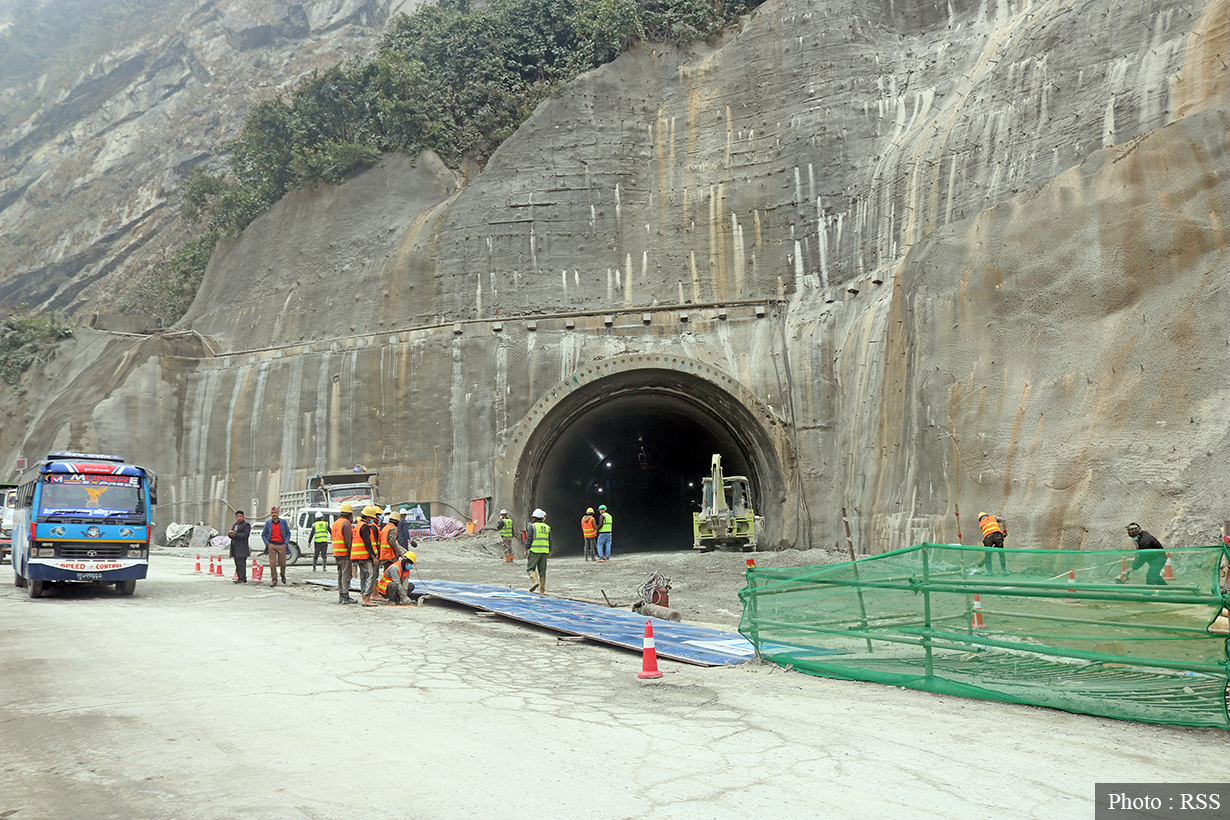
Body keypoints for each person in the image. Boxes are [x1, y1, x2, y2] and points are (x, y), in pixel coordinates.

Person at [354, 505, 382, 607]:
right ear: (368, 517)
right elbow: (368, 542)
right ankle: (366, 598)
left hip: (358, 556)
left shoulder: (358, 525)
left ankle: (364, 597)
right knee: (371, 576)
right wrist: (374, 556)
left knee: (363, 577)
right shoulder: (365, 527)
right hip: (365, 556)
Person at [332, 503, 356, 604]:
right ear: (349, 514)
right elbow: (348, 541)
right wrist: (351, 554)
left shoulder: (336, 523)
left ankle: (341, 595)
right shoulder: (346, 523)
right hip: (344, 553)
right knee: (346, 575)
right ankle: (345, 596)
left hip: (337, 552)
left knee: (340, 574)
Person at [262, 506, 291, 586]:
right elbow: (263, 534)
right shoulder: (268, 523)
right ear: (271, 514)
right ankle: (274, 580)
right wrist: (268, 544)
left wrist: (285, 543)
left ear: (278, 514)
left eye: (275, 513)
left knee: (283, 564)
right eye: (272, 513)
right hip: (272, 545)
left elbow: (288, 533)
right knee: (272, 564)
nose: (274, 514)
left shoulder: (283, 522)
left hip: (282, 545)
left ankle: (282, 574)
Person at [526, 508, 551, 593]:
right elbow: (550, 540)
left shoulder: (533, 526)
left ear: (535, 518)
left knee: (530, 568)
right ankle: (542, 590)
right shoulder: (547, 527)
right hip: (544, 551)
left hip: (534, 550)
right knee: (542, 571)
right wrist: (549, 550)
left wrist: (526, 549)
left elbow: (529, 539)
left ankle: (535, 582)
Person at [228, 510, 251, 584]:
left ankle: (243, 578)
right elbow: (232, 534)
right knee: (237, 564)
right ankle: (239, 578)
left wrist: (236, 534)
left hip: (242, 548)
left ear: (243, 517)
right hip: (235, 548)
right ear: (235, 517)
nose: (239, 518)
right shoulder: (235, 525)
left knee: (242, 564)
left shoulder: (246, 525)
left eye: (240, 516)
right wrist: (230, 534)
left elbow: (245, 535)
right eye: (238, 516)